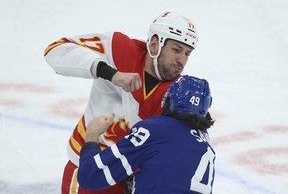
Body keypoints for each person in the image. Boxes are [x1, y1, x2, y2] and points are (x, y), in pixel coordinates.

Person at [44, 11, 199, 194]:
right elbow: (56, 50)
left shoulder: (178, 92)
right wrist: (111, 74)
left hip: (129, 180)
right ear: (155, 44)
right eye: (176, 50)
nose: (182, 60)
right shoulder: (118, 48)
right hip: (89, 167)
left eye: (187, 53)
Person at [78, 75, 215, 194]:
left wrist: (92, 135)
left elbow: (90, 176)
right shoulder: (205, 143)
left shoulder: (155, 129)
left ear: (169, 99)